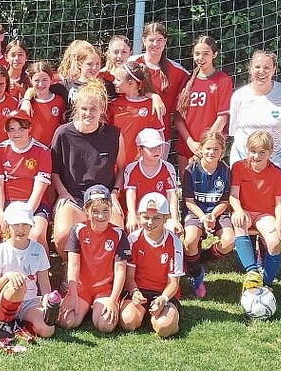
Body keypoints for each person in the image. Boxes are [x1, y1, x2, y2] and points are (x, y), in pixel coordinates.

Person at [0, 111, 52, 301]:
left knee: (36, 233)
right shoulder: (0, 149)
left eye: (21, 128)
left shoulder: (42, 151)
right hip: (6, 202)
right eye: (11, 129)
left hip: (32, 203)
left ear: (29, 128)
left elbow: (39, 188)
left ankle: (42, 284)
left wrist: (25, 216)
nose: (16, 133)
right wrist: (1, 214)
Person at [51, 79, 126, 259]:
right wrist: (62, 193)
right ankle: (71, 270)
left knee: (117, 234)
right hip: (72, 196)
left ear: (102, 110)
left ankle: (102, 277)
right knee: (62, 236)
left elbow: (123, 168)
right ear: (77, 109)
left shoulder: (114, 135)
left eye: (93, 109)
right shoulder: (62, 133)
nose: (88, 113)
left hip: (103, 197)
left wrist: (114, 193)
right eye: (84, 109)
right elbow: (53, 170)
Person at [57, 185, 130, 333]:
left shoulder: (119, 234)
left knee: (106, 326)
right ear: (86, 211)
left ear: (111, 210)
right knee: (66, 322)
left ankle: (96, 308)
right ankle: (85, 307)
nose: (101, 216)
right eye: (95, 211)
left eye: (105, 211)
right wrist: (72, 294)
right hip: (82, 289)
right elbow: (73, 265)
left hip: (104, 290)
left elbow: (120, 270)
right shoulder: (77, 230)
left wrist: (112, 300)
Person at [0, 201, 55, 348]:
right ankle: (5, 322)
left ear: (31, 226)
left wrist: (46, 301)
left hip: (30, 302)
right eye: (16, 225)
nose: (20, 229)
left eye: (25, 224)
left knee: (48, 330)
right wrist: (7, 276)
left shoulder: (38, 249)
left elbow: (44, 283)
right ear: (8, 226)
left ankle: (21, 323)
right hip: (6, 298)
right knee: (18, 284)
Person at [229, 50, 281, 177]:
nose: (261, 71)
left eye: (267, 67)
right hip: (243, 165)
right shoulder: (239, 96)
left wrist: (279, 148)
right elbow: (234, 131)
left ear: (274, 69)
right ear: (250, 68)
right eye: (257, 67)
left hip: (277, 165)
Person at [119, 192, 183, 338]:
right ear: (139, 216)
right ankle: (143, 314)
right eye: (146, 217)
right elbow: (129, 276)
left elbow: (174, 282)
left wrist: (163, 299)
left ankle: (165, 317)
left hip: (163, 293)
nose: (150, 223)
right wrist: (134, 292)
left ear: (166, 218)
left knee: (164, 329)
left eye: (156, 218)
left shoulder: (174, 242)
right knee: (128, 322)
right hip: (139, 291)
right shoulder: (133, 239)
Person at [230, 131, 281, 290]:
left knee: (274, 242)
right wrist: (238, 210)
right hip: (245, 211)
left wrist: (279, 224)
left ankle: (267, 283)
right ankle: (252, 272)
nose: (256, 156)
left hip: (265, 215)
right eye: (253, 152)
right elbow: (233, 195)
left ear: (270, 152)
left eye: (262, 152)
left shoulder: (277, 173)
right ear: (247, 150)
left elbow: (280, 203)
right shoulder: (239, 167)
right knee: (238, 221)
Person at [181, 131, 234, 298]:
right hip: (196, 212)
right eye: (208, 148)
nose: (211, 152)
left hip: (217, 212)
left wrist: (212, 216)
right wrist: (203, 217)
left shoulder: (226, 171)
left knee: (229, 241)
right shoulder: (191, 170)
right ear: (201, 149)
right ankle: (197, 276)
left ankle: (199, 260)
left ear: (222, 151)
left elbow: (225, 201)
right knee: (189, 241)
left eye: (216, 149)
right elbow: (189, 201)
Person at [174, 35, 233, 171]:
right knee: (188, 190)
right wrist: (190, 143)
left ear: (215, 54)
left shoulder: (223, 80)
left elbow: (222, 118)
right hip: (187, 145)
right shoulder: (186, 80)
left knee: (209, 190)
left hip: (211, 149)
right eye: (197, 53)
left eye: (206, 53)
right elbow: (178, 119)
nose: (201, 58)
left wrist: (204, 146)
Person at [129, 22, 190, 149]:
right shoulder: (132, 63)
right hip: (132, 132)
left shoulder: (177, 71)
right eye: (151, 40)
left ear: (165, 41)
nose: (155, 44)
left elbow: (197, 84)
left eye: (160, 40)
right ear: (144, 41)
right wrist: (153, 96)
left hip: (160, 136)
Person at [123, 128, 180, 235]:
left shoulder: (168, 168)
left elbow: (172, 195)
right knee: (133, 227)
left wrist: (174, 218)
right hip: (141, 213)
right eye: (151, 148)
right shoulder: (131, 169)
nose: (157, 150)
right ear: (140, 150)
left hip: (161, 213)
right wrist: (132, 215)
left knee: (172, 228)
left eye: (159, 146)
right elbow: (131, 194)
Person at [109, 61, 165, 163]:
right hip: (116, 162)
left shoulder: (151, 105)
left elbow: (159, 134)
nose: (114, 82)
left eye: (117, 79)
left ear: (131, 83)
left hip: (140, 163)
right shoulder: (113, 104)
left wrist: (158, 161)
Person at [21, 61, 65, 147]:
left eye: (45, 80)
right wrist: (26, 100)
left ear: (51, 78)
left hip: (52, 149)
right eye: (36, 80)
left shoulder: (59, 101)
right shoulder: (27, 102)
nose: (41, 84)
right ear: (30, 80)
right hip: (31, 149)